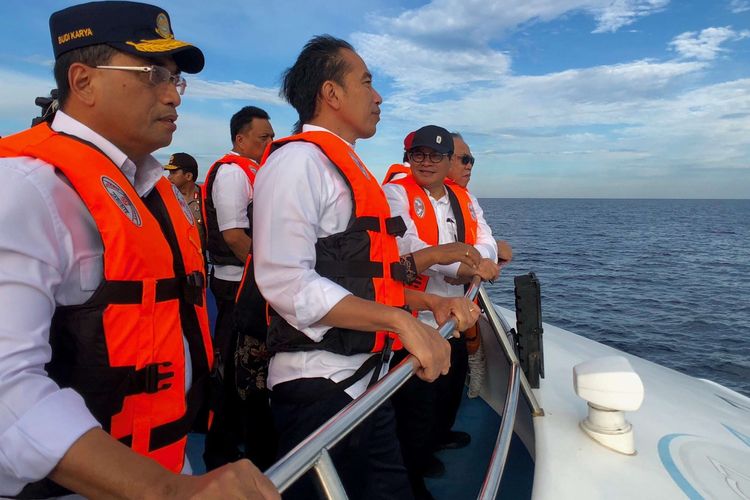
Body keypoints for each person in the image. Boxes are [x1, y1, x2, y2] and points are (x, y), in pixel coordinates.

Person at [0, 2, 277, 498]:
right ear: (83, 82)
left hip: (167, 460)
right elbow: (6, 393)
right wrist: (166, 491)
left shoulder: (150, 189)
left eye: (176, 80)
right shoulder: (25, 189)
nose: (174, 95)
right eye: (154, 74)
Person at [252, 35, 479, 499]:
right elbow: (286, 282)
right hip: (319, 388)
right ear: (331, 94)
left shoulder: (345, 167)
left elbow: (361, 275)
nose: (378, 97)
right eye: (367, 82)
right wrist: (398, 320)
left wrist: (425, 300)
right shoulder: (298, 163)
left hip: (367, 383)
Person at [383, 125, 500, 498]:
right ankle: (411, 478)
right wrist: (464, 268)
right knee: (414, 409)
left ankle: (434, 444)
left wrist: (479, 262)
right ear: (408, 158)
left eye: (436, 156)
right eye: (418, 155)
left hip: (454, 317)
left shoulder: (463, 199)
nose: (426, 162)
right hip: (414, 318)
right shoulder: (395, 194)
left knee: (449, 389)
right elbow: (408, 246)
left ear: (448, 161)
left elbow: (486, 240)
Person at [201, 105, 275, 470]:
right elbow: (233, 236)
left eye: (272, 136)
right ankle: (221, 452)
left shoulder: (257, 172)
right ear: (240, 139)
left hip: (251, 284)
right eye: (263, 137)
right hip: (236, 289)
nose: (270, 143)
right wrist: (273, 271)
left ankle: (248, 440)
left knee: (250, 368)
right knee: (231, 369)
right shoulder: (232, 173)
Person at [164, 152, 206, 252]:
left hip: (201, 261)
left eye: (173, 173)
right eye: (169, 173)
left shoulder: (206, 197)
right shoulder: (164, 198)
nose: (169, 177)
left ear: (188, 176)